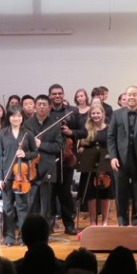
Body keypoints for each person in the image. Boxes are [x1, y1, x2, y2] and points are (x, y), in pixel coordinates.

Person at [107, 86, 137, 227]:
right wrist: (113, 156)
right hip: (120, 159)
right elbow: (111, 137)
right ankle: (122, 221)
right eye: (129, 95)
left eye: (134, 95)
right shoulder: (116, 114)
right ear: (125, 97)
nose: (132, 97)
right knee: (120, 192)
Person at [0, 105, 38, 245]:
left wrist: (25, 154)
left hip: (22, 176)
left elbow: (35, 152)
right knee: (7, 207)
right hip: (7, 175)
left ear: (22, 118)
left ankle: (22, 236)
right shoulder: (2, 134)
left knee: (22, 207)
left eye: (19, 116)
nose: (16, 118)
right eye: (14, 116)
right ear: (9, 117)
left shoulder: (27, 133)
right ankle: (9, 236)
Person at [23, 94, 64, 230]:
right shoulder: (27, 124)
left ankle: (45, 230)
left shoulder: (54, 124)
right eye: (39, 104)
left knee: (46, 203)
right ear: (35, 107)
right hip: (31, 168)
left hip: (48, 167)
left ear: (49, 107)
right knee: (31, 202)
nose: (41, 107)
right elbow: (24, 146)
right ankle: (30, 230)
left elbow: (59, 146)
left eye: (44, 104)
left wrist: (41, 144)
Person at [49, 84, 80, 236]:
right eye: (54, 94)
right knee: (49, 193)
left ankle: (69, 224)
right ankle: (49, 225)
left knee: (65, 193)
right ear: (50, 96)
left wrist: (71, 132)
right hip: (49, 158)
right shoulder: (46, 113)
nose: (57, 96)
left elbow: (84, 131)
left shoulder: (72, 113)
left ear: (63, 95)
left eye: (60, 93)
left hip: (67, 158)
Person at [77, 102, 113, 226]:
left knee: (105, 194)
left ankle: (105, 221)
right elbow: (81, 145)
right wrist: (81, 149)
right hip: (90, 165)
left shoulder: (109, 128)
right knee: (91, 195)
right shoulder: (86, 128)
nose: (96, 115)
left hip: (105, 165)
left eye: (98, 113)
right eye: (93, 113)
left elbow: (111, 145)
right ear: (90, 114)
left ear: (103, 114)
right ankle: (92, 221)